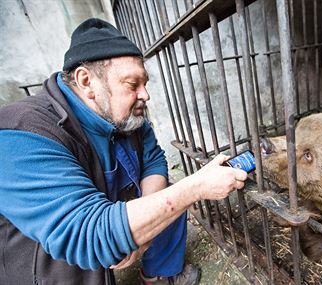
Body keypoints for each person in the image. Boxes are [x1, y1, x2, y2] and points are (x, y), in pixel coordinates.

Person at [0, 18, 248, 285]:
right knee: (83, 254)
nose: (145, 95)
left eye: (145, 84)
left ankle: (156, 275)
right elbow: (85, 234)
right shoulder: (20, 133)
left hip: (105, 212)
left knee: (168, 197)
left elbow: (153, 161)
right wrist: (195, 187)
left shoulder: (126, 115)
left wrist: (142, 232)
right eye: (132, 85)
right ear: (87, 82)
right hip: (48, 253)